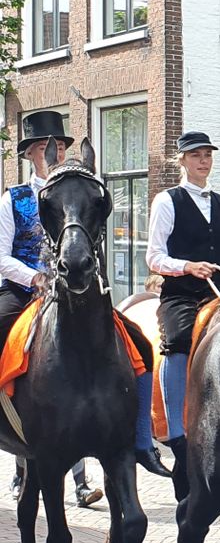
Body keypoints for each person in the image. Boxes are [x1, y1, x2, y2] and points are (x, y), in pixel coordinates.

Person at [0, 110, 166, 479]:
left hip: (79, 292)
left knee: (138, 343)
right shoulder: (13, 199)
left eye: (57, 144)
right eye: (44, 146)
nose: (52, 151)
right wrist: (35, 279)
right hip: (26, 290)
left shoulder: (79, 190)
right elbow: (1, 256)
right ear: (31, 154)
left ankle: (141, 438)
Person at [146, 131, 220, 482]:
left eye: (207, 155)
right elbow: (154, 256)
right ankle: (176, 433)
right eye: (196, 155)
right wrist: (187, 266)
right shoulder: (168, 201)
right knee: (179, 338)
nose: (203, 160)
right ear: (182, 160)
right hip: (183, 291)